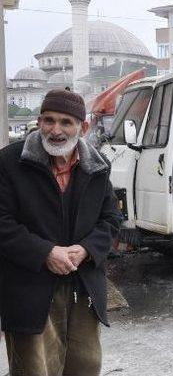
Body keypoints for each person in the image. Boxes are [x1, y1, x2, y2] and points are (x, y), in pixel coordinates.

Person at [0, 89, 122, 375]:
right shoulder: (9, 162)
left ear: (83, 127)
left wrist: (86, 249)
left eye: (66, 122)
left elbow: (112, 218)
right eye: (49, 120)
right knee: (34, 368)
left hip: (83, 288)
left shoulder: (98, 166)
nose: (56, 130)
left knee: (84, 366)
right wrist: (45, 253)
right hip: (29, 289)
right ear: (39, 121)